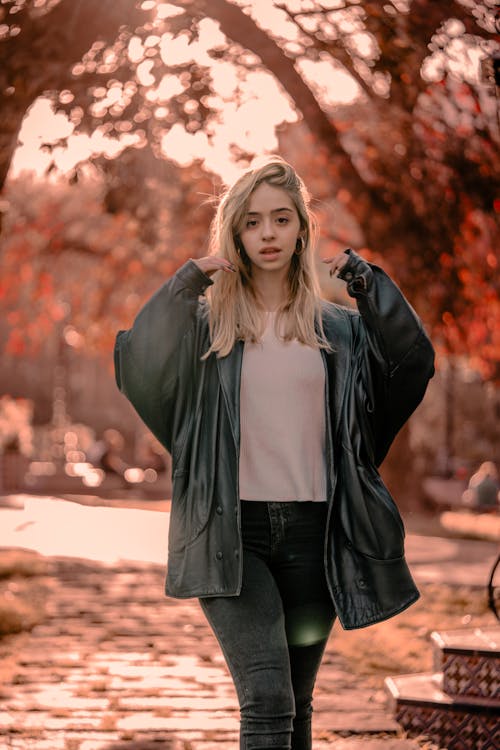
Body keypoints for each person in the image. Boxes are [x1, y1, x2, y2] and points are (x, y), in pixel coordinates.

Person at [114, 157, 435, 750]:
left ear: (299, 230)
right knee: (267, 698)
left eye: (281, 219)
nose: (267, 234)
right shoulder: (207, 330)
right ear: (234, 231)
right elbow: (139, 366)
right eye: (253, 221)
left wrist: (371, 288)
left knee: (297, 704)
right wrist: (182, 287)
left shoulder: (338, 331)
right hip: (230, 531)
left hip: (317, 534)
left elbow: (411, 363)